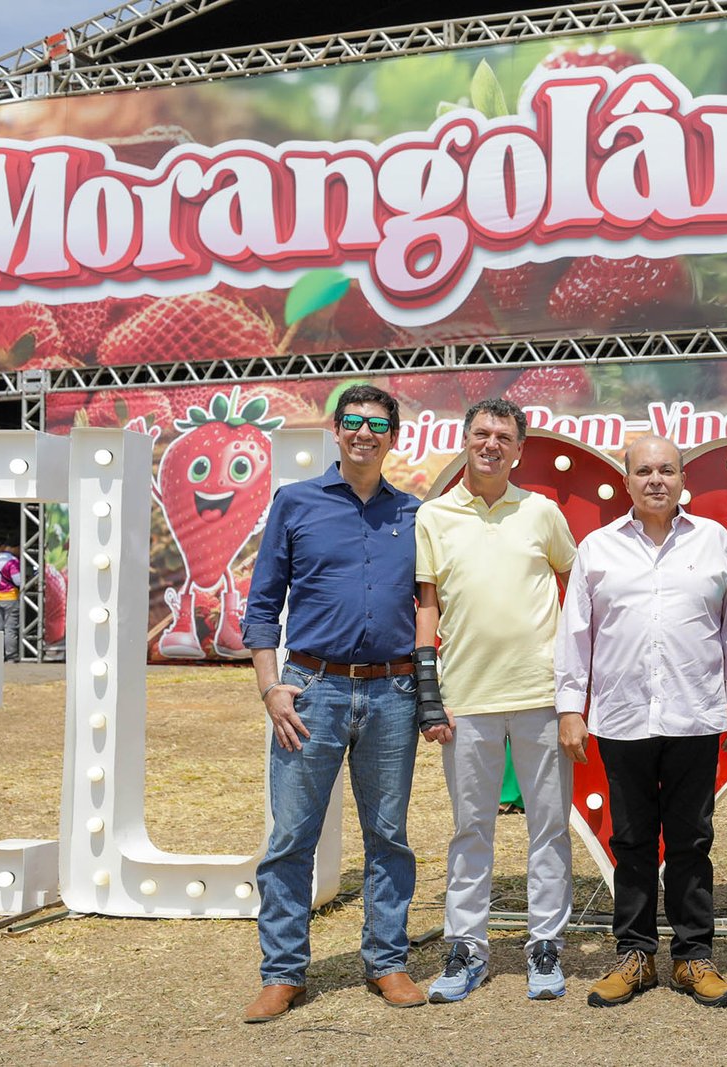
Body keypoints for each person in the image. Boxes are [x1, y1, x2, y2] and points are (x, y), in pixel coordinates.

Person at [239, 384, 427, 1023]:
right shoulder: (295, 503)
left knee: (389, 835)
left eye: (378, 424)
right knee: (292, 835)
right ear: (337, 430)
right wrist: (271, 686)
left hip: (394, 692)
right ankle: (282, 972)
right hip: (311, 693)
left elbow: (437, 606)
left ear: (394, 437)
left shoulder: (417, 514)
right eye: (353, 422)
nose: (365, 433)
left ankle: (387, 962)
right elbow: (262, 607)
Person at [554, 435, 727, 1010]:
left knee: (692, 840)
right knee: (631, 841)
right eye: (644, 471)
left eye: (667, 470)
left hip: (695, 714)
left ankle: (693, 958)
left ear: (683, 479)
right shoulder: (597, 547)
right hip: (621, 716)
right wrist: (570, 708)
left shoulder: (715, 541)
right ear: (627, 480)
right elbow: (576, 632)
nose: (656, 480)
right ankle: (634, 955)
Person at [416, 398, 578, 1004]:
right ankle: (467, 949)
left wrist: (575, 689)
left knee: (549, 829)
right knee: (470, 829)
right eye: (481, 433)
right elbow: (427, 606)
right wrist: (429, 692)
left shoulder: (542, 512)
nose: (491, 444)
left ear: (519, 449)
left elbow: (578, 586)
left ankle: (545, 947)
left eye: (503, 437)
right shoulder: (433, 516)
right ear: (464, 439)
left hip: (542, 695)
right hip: (466, 700)